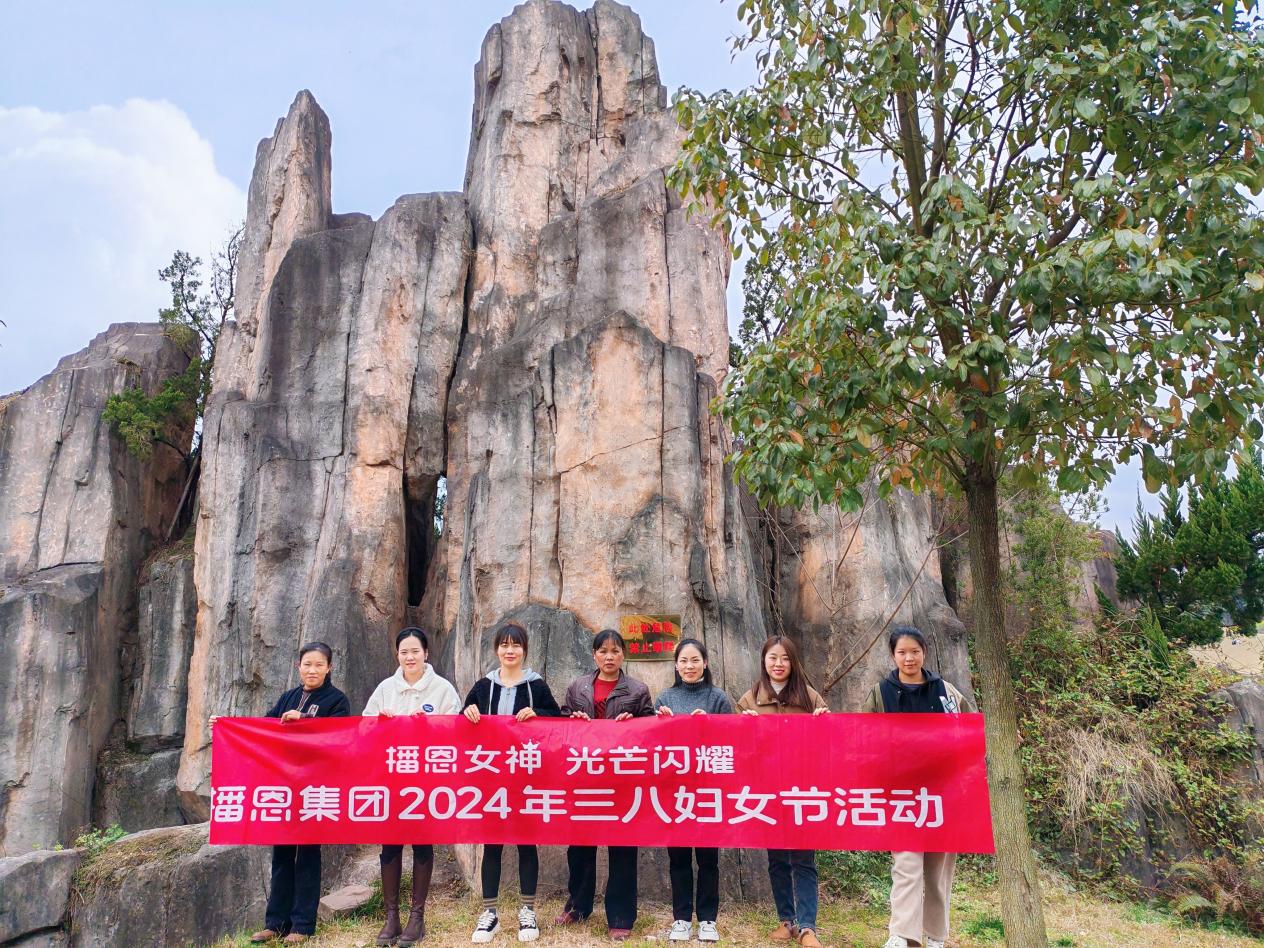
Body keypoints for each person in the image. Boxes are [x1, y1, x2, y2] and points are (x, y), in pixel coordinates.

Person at [213, 642, 350, 945]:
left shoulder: (337, 700)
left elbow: (340, 736)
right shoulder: (288, 697)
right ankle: (275, 924)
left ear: (329, 668)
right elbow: (262, 729)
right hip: (284, 788)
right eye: (307, 664)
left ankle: (302, 925)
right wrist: (226, 727)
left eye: (319, 665)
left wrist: (305, 722)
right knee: (282, 855)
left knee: (308, 857)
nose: (312, 670)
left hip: (316, 789)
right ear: (298, 667)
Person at [862, 626, 975, 948]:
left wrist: (998, 735)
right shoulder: (880, 693)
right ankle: (902, 934)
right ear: (893, 655)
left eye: (914, 651)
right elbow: (862, 734)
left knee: (938, 870)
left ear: (924, 652)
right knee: (906, 864)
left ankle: (935, 936)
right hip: (901, 793)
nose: (909, 658)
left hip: (943, 792)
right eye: (902, 652)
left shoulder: (945, 691)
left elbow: (971, 725)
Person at [462, 622, 563, 943]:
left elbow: (557, 719)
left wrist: (538, 714)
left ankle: (527, 911)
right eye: (504, 645)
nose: (510, 650)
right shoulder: (483, 686)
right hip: (490, 779)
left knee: (526, 843)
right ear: (496, 650)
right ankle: (489, 914)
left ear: (524, 650)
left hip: (526, 779)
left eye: (516, 645)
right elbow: (462, 719)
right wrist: (468, 711)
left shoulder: (536, 686)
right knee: (491, 844)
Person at [363, 627, 462, 947]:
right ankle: (391, 917)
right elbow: (364, 728)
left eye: (415, 651)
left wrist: (430, 726)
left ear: (426, 654)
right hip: (391, 779)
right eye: (404, 652)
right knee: (390, 844)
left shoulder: (442, 689)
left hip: (427, 781)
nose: (409, 657)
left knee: (422, 843)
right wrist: (380, 722)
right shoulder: (385, 688)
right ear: (397, 655)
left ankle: (417, 918)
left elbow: (458, 731)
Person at [557, 628, 654, 941]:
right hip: (584, 779)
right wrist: (572, 721)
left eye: (615, 651)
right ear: (594, 655)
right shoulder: (577, 687)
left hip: (622, 781)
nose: (609, 657)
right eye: (603, 651)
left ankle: (621, 916)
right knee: (579, 847)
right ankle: (578, 906)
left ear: (623, 654)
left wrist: (634, 725)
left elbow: (652, 731)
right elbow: (560, 727)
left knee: (622, 849)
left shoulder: (637, 690)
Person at [737, 635, 829, 948]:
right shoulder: (749, 700)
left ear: (793, 662)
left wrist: (823, 720)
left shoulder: (809, 697)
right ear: (764, 661)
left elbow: (829, 741)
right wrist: (743, 726)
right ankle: (786, 921)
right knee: (776, 859)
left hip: (803, 789)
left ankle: (808, 927)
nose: (778, 664)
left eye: (785, 658)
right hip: (767, 791)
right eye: (773, 658)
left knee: (803, 859)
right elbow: (736, 749)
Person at [654, 638, 733, 943]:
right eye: (684, 661)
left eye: (695, 660)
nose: (689, 666)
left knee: (708, 859)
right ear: (676, 665)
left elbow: (732, 743)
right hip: (675, 792)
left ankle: (708, 919)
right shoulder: (665, 697)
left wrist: (710, 726)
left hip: (708, 792)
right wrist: (661, 724)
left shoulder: (718, 698)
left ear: (705, 663)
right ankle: (682, 918)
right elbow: (653, 743)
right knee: (678, 859)